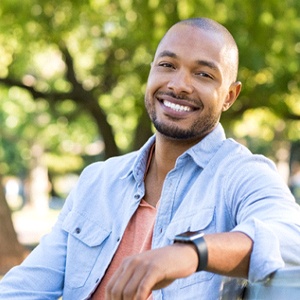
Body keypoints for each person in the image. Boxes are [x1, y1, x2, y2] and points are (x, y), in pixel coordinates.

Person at [1, 17, 300, 300]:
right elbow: (27, 286)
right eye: (167, 65)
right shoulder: (98, 180)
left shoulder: (242, 174)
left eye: (203, 74)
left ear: (229, 96)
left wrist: (190, 253)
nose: (179, 84)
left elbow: (289, 237)